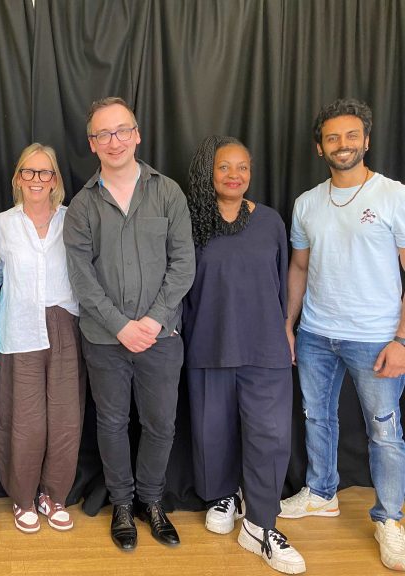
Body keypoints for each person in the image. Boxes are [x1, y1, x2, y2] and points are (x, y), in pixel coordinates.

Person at [63, 97, 195, 551]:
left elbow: (183, 265)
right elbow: (82, 279)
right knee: (113, 423)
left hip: (162, 338)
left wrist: (153, 322)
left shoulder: (168, 192)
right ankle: (122, 504)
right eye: (103, 134)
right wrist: (121, 326)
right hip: (105, 339)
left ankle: (152, 501)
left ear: (136, 135)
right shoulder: (82, 206)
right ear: (92, 144)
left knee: (161, 425)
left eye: (121, 131)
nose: (114, 141)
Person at [279, 98, 405, 572]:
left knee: (385, 432)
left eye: (352, 136)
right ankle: (321, 494)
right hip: (315, 333)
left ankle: (390, 520)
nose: (343, 144)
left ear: (367, 141)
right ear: (319, 147)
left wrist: (402, 340)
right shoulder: (307, 203)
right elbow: (299, 266)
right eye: (332, 137)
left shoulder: (394, 195)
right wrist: (288, 326)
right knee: (317, 417)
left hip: (377, 338)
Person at [184, 135, 305, 574]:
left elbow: (281, 279)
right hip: (208, 343)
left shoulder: (270, 221)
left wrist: (286, 329)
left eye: (243, 167)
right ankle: (223, 494)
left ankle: (261, 522)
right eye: (224, 167)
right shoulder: (192, 220)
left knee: (270, 437)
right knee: (212, 430)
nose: (234, 175)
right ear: (208, 172)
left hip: (265, 346)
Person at [0, 143, 85, 534]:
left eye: (44, 172)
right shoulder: (1, 224)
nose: (36, 179)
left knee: (65, 420)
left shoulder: (74, 219)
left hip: (65, 324)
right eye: (28, 172)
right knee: (26, 421)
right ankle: (23, 498)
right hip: (19, 327)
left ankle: (54, 495)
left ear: (55, 180)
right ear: (17, 178)